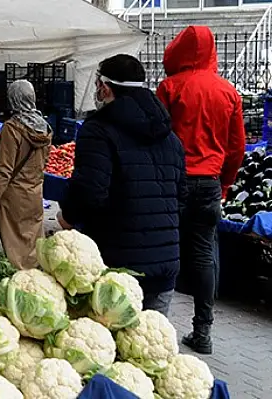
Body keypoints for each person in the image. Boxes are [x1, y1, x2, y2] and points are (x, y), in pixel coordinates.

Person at [58, 54, 187, 316]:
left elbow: (90, 190)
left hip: (116, 265)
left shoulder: (98, 131)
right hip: (164, 265)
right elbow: (182, 198)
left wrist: (68, 217)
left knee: (112, 349)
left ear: (105, 87)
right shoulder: (170, 137)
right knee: (149, 351)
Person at [156, 26, 246, 354]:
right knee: (204, 254)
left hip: (175, 182)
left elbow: (157, 135)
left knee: (166, 249)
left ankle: (158, 327)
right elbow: (237, 147)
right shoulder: (228, 92)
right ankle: (203, 330)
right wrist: (224, 183)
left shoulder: (169, 87)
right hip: (209, 183)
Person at [0, 80, 52, 269]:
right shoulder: (45, 127)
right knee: (33, 246)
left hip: (14, 198)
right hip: (35, 193)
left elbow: (4, 172)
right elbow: (44, 162)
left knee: (16, 254)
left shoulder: (12, 128)